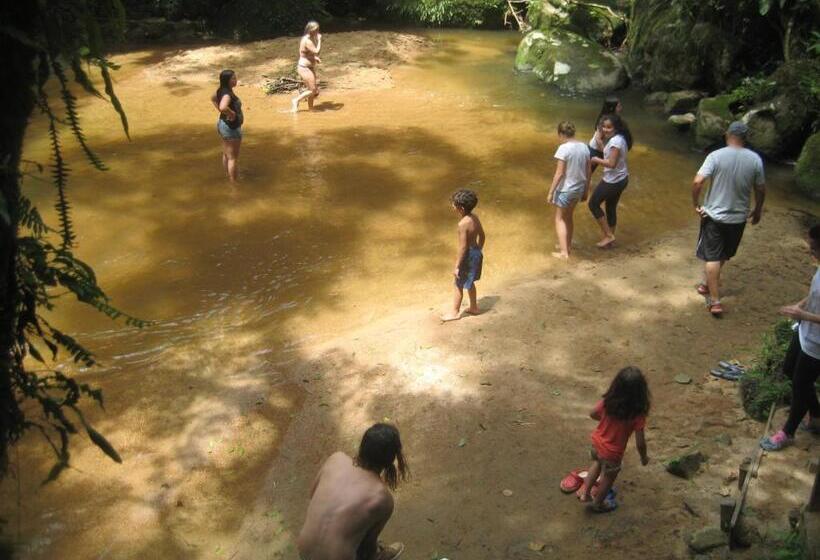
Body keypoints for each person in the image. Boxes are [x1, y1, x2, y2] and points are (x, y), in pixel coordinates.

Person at [297, 423, 408, 560]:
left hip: (304, 549)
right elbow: (368, 547)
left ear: (363, 447)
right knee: (368, 548)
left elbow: (312, 494)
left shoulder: (336, 459)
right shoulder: (382, 497)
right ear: (390, 460)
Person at [692, 121, 765, 316]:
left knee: (713, 256)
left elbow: (698, 181)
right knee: (723, 254)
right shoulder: (755, 159)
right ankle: (707, 285)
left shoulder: (715, 156)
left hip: (714, 216)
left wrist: (696, 204)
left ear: (727, 135)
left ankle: (715, 301)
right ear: (745, 138)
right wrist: (757, 210)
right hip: (738, 218)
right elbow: (760, 188)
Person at [760, 224, 820, 451]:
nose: (810, 252)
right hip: (805, 331)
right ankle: (816, 415)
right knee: (788, 369)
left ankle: (788, 432)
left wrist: (801, 314)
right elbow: (815, 293)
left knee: (800, 384)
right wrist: (801, 305)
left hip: (817, 345)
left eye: (814, 248)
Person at [577, 366, 650, 513]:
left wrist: (604, 420)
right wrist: (644, 457)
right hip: (612, 453)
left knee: (596, 465)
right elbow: (640, 443)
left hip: (597, 443)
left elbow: (593, 414)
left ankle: (585, 493)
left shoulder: (608, 402)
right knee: (609, 478)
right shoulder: (637, 414)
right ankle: (598, 504)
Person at [548, 121, 591, 259]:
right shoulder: (584, 147)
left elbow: (559, 173)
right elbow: (588, 170)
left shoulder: (563, 149)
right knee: (569, 217)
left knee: (559, 219)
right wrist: (586, 190)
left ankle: (563, 253)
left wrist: (550, 192)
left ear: (561, 134)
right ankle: (567, 245)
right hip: (578, 188)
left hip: (566, 190)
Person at [588, 114, 632, 249]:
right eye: (604, 127)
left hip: (613, 181)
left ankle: (608, 235)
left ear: (616, 127)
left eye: (609, 127)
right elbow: (611, 155)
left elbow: (611, 163)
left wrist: (595, 159)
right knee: (611, 208)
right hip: (622, 178)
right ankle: (610, 242)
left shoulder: (615, 142)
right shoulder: (620, 139)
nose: (605, 130)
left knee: (593, 204)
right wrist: (601, 144)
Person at [442, 189, 486, 322]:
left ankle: (455, 312)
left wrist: (457, 266)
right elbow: (482, 235)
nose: (452, 206)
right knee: (470, 281)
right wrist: (479, 249)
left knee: (458, 284)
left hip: (467, 256)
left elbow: (462, 247)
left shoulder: (462, 224)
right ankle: (474, 307)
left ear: (460, 208)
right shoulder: (475, 217)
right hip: (476, 252)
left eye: (454, 204)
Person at [211, 69, 243, 183]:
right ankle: (233, 184)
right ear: (227, 81)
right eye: (233, 78)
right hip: (231, 128)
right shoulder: (227, 94)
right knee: (233, 158)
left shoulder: (221, 90)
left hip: (222, 124)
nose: (236, 80)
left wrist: (222, 111)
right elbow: (223, 106)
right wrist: (232, 113)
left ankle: (228, 176)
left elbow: (213, 98)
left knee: (227, 154)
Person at [291, 21, 322, 113]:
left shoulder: (308, 39)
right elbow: (316, 51)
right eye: (316, 30)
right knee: (313, 90)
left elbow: (305, 53)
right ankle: (296, 100)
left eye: (318, 30)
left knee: (311, 89)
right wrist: (320, 40)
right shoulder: (307, 40)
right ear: (310, 30)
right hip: (304, 68)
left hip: (309, 67)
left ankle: (311, 109)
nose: (318, 32)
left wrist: (314, 58)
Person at [588, 95, 622, 160]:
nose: (621, 108)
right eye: (618, 106)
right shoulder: (605, 119)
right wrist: (606, 153)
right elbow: (598, 139)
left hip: (599, 149)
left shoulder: (614, 118)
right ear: (612, 108)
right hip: (595, 150)